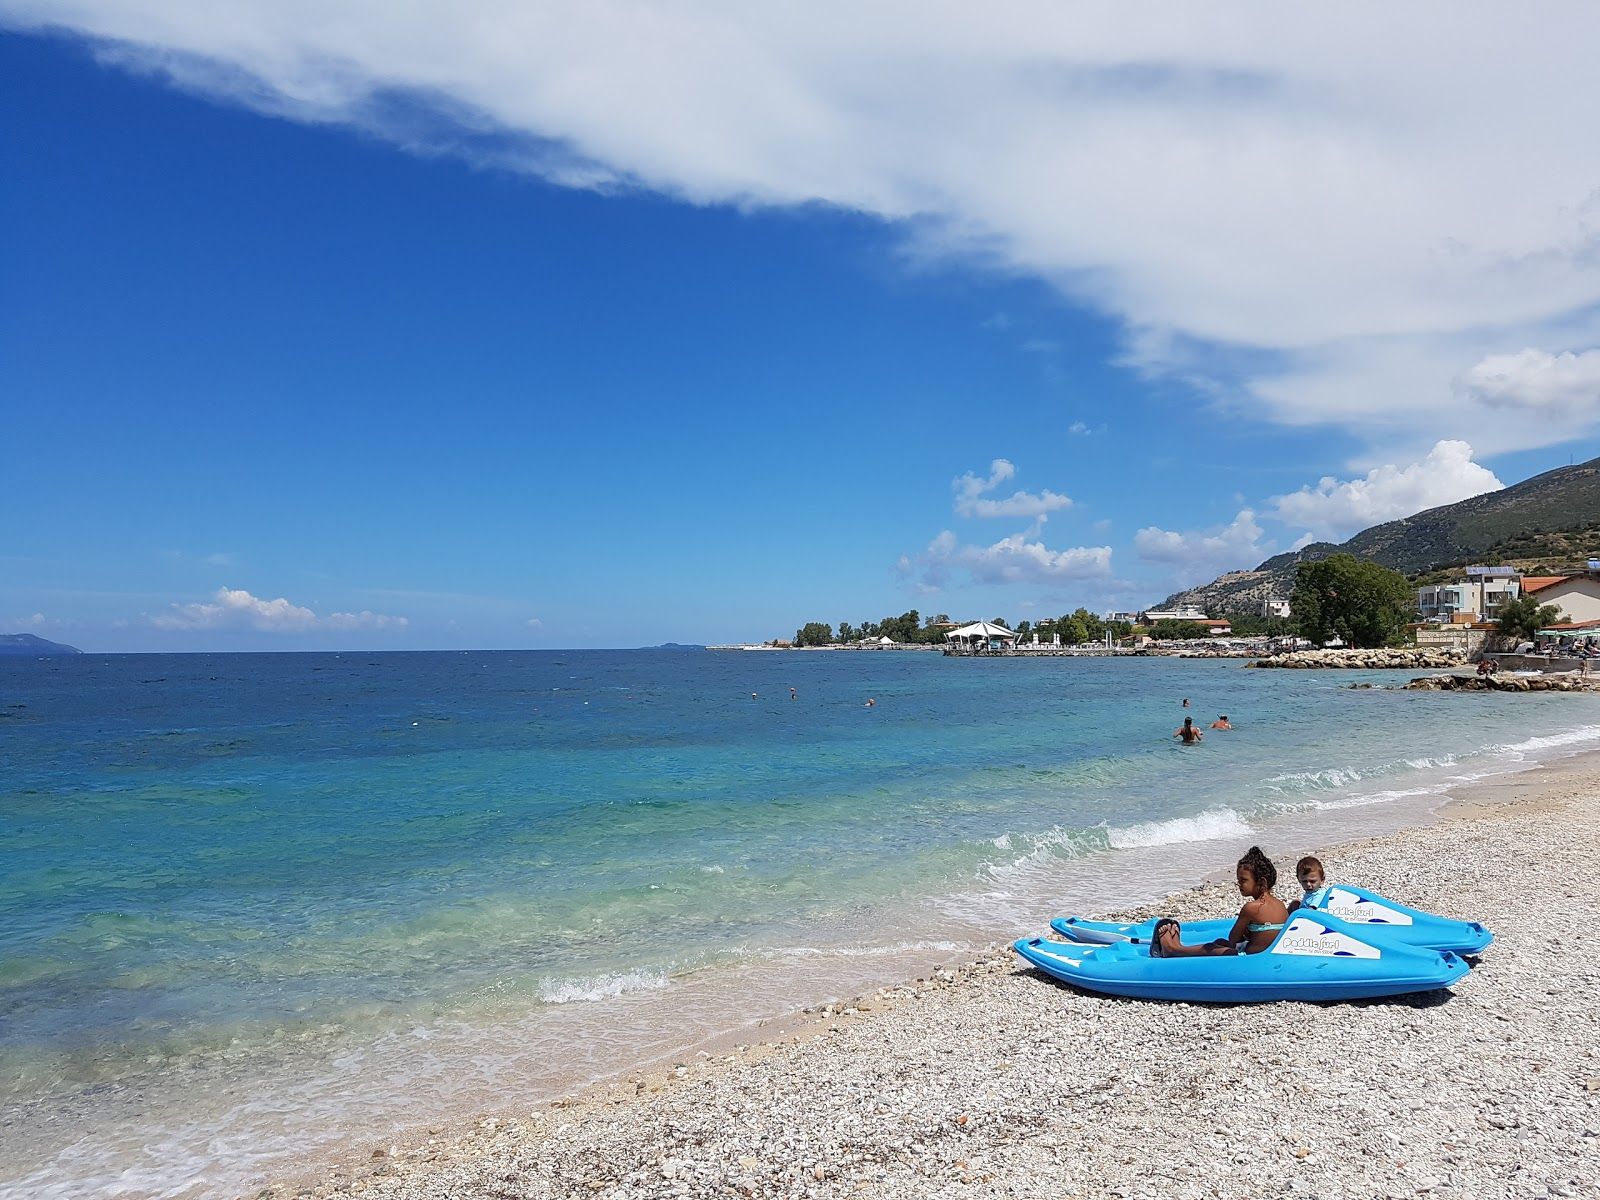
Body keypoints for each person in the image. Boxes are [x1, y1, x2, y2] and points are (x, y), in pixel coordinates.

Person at [1154, 846, 1287, 956]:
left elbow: (1234, 939)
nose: (1239, 884)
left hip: (1252, 958)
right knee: (1220, 942)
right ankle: (1175, 948)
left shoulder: (1252, 908)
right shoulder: (1280, 905)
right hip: (1268, 954)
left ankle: (1172, 949)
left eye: (1243, 880)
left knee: (1213, 947)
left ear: (1261, 882)